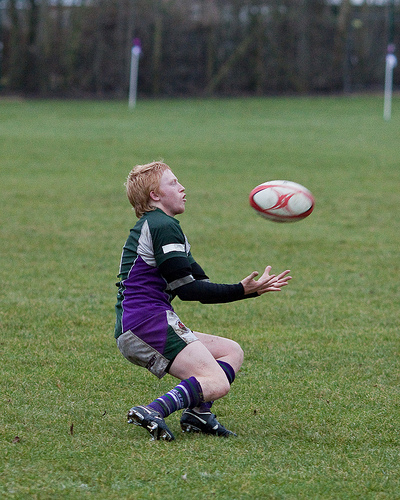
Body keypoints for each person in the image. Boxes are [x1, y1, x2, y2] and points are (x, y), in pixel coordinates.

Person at [115, 161, 291, 441]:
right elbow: (188, 290)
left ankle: (198, 414)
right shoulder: (161, 225)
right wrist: (240, 290)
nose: (182, 187)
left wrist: (249, 290)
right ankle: (153, 410)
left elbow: (200, 285)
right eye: (173, 183)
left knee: (230, 351)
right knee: (217, 382)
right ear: (155, 195)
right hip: (146, 323)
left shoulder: (165, 226)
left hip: (145, 323)